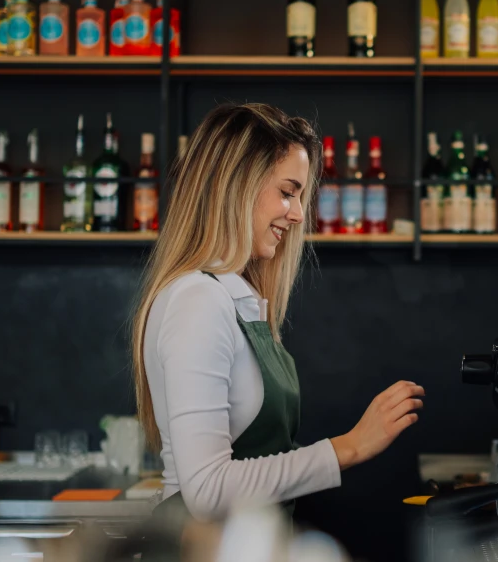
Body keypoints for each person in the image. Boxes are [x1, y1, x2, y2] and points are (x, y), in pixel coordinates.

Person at [131, 103, 423, 527]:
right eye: (287, 192)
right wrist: (350, 447)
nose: (299, 213)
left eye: (301, 195)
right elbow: (207, 493)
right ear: (235, 186)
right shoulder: (198, 301)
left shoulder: (237, 298)